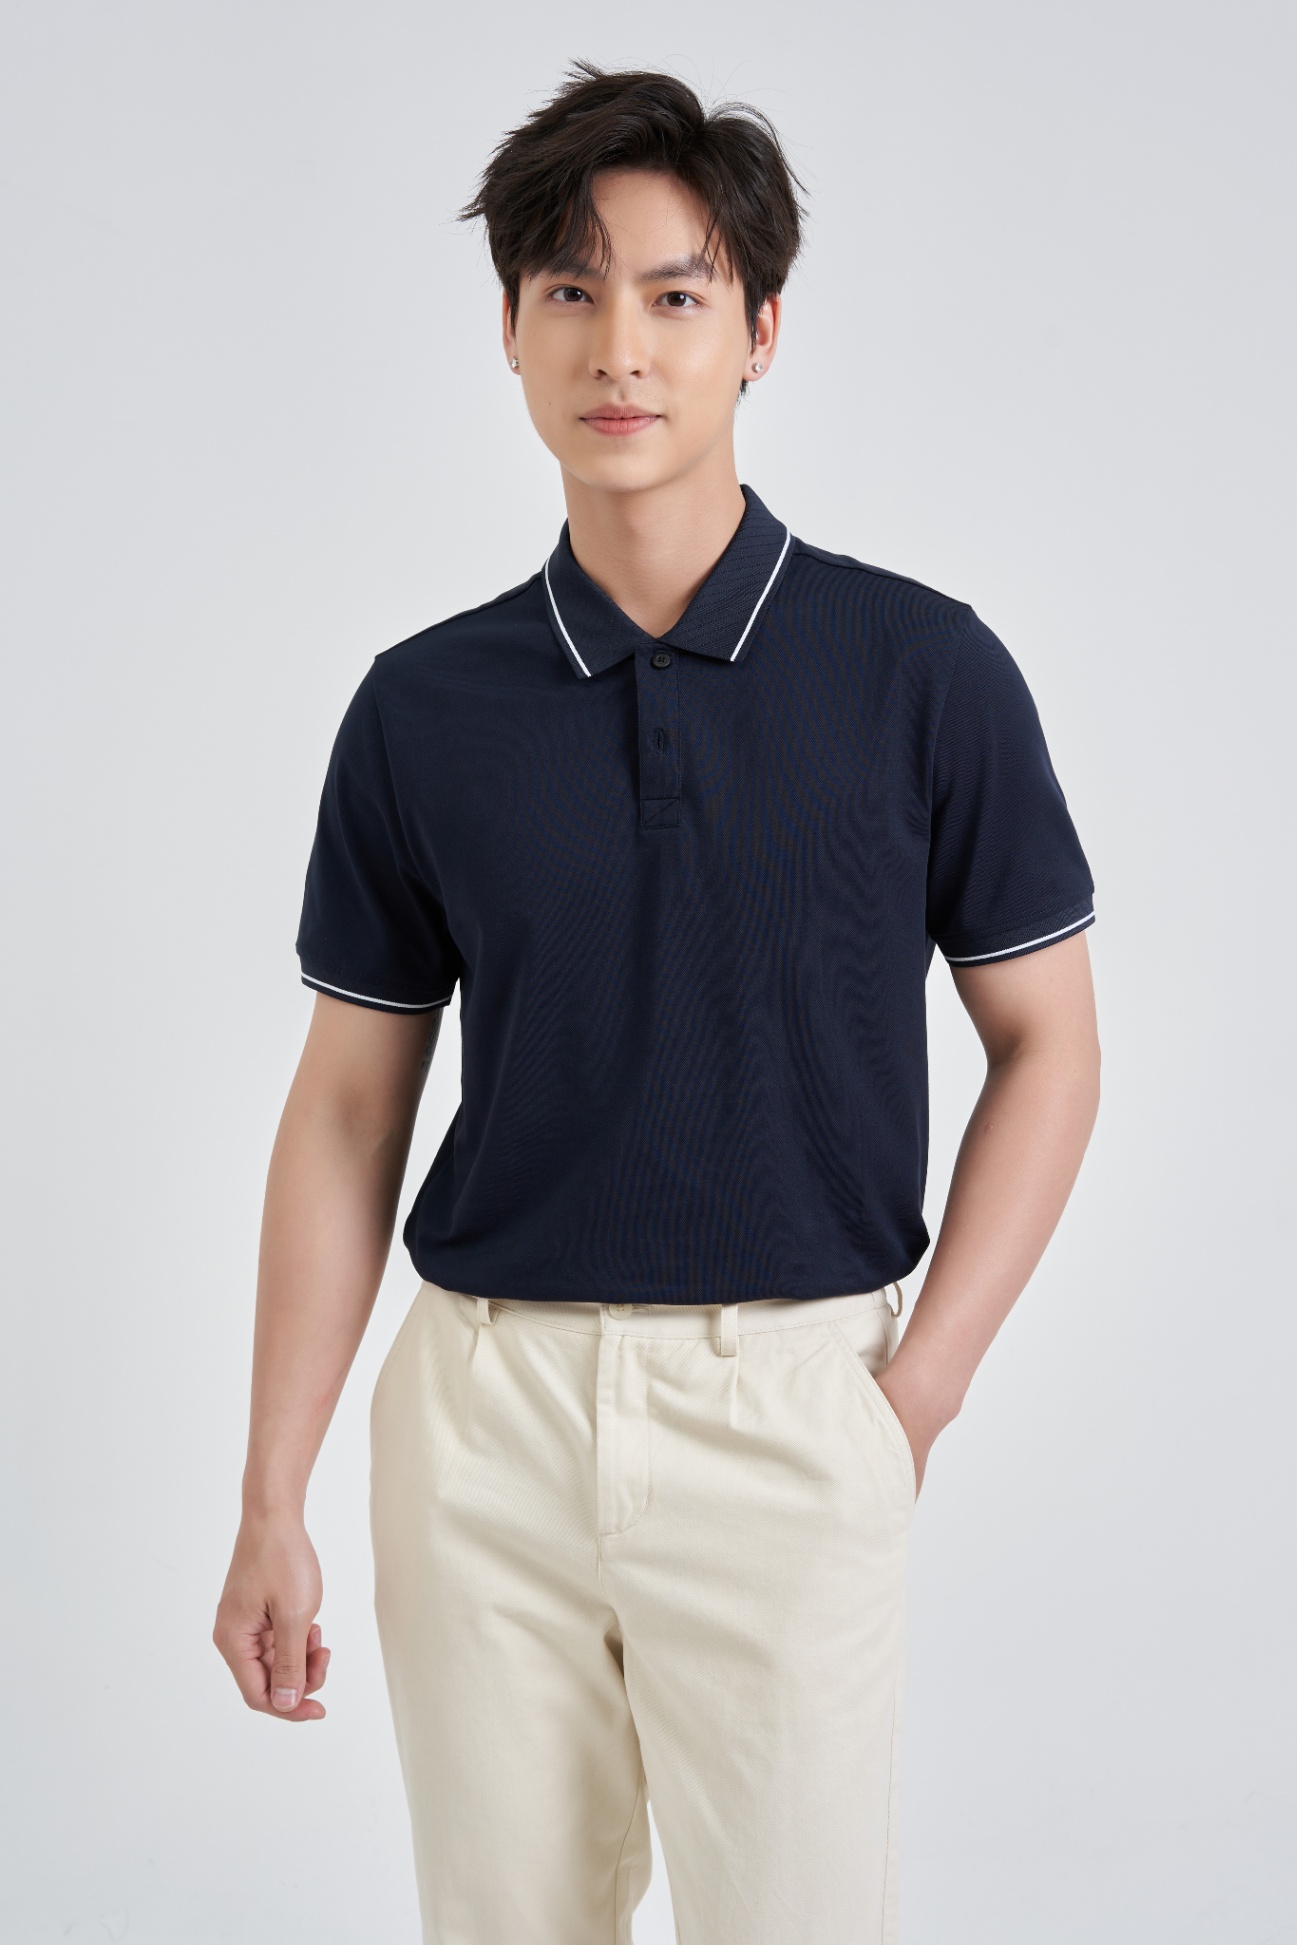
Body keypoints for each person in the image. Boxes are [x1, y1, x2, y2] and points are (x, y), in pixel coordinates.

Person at [214, 59, 1101, 1945]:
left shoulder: (920, 671)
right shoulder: (422, 709)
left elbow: (1050, 1045)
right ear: (511, 330)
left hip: (788, 1406)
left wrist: (910, 1395)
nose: (618, 347)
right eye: (569, 290)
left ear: (760, 330)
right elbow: (350, 1107)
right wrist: (271, 1487)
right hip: (481, 1419)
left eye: (674, 294)